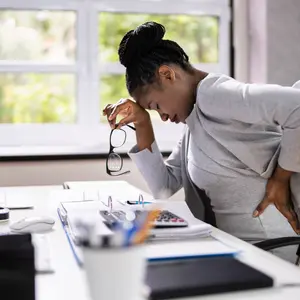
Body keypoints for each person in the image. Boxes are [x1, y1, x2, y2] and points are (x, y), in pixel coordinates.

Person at [103, 21, 300, 262]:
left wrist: (281, 178)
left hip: (271, 252)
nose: (163, 116)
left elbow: (297, 107)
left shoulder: (217, 95)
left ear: (167, 74)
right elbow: (163, 186)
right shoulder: (195, 122)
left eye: (156, 106)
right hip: (235, 249)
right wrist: (143, 122)